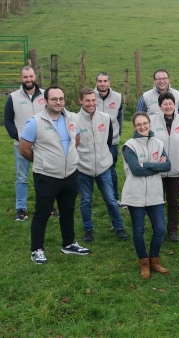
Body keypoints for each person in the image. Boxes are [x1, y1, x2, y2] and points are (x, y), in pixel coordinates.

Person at [18, 86, 90, 264]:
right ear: (45, 101)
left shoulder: (73, 118)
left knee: (68, 211)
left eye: (61, 99)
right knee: (42, 213)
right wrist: (42, 160)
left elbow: (77, 141)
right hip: (46, 176)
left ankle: (69, 243)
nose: (58, 102)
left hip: (70, 174)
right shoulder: (35, 122)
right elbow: (24, 149)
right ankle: (37, 249)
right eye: (54, 99)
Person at [121, 112, 171, 279]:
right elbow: (136, 169)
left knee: (160, 229)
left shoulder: (158, 143)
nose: (142, 127)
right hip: (135, 194)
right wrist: (157, 165)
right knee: (138, 229)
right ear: (134, 127)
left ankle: (154, 259)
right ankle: (143, 261)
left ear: (150, 123)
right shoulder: (129, 146)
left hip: (155, 194)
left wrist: (148, 164)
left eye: (145, 123)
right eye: (139, 124)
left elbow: (168, 166)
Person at [76, 87, 128, 243]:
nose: (91, 103)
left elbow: (109, 141)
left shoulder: (106, 118)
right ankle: (88, 230)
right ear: (80, 101)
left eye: (93, 100)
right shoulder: (74, 120)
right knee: (85, 201)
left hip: (103, 166)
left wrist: (102, 157)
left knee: (111, 199)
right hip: (83, 167)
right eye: (87, 101)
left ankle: (119, 228)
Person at [4, 66, 45, 221]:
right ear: (21, 78)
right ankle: (21, 209)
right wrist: (18, 137)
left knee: (44, 176)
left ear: (35, 76)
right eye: (25, 77)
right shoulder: (13, 97)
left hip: (42, 144)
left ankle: (46, 206)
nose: (28, 79)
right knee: (21, 177)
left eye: (31, 76)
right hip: (21, 146)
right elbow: (7, 120)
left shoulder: (45, 95)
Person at [150, 93, 179, 242]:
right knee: (158, 200)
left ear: (175, 105)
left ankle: (173, 230)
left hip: (177, 168)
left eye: (170, 103)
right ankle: (159, 228)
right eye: (165, 104)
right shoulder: (152, 120)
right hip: (158, 169)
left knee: (174, 200)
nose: (168, 106)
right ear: (160, 106)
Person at [94, 72, 125, 206]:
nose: (102, 83)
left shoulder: (117, 97)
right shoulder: (90, 96)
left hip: (112, 140)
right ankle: (88, 196)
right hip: (94, 140)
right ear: (96, 83)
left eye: (105, 81)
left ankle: (114, 197)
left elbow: (120, 118)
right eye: (100, 81)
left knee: (111, 168)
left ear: (109, 82)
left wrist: (118, 134)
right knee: (91, 167)